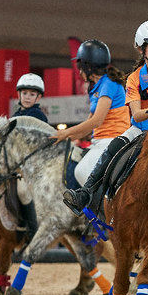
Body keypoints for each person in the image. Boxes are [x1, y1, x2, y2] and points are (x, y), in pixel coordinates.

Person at [63, 20, 148, 241]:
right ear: (142, 48)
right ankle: (85, 193)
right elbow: (136, 115)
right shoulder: (134, 78)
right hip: (142, 131)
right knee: (113, 149)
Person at [53, 39, 130, 198]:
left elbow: (97, 121)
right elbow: (89, 124)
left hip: (113, 139)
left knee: (81, 171)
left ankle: (105, 211)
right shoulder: (95, 86)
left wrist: (65, 133)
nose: (78, 70)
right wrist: (64, 138)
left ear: (88, 67)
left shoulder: (109, 83)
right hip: (99, 141)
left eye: (80, 66)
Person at [6, 73, 49, 241]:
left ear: (38, 97)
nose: (27, 97)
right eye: (25, 93)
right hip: (14, 164)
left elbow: (39, 144)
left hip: (33, 165)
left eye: (32, 94)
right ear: (19, 94)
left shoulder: (39, 116)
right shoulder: (14, 116)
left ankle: (32, 230)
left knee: (23, 191)